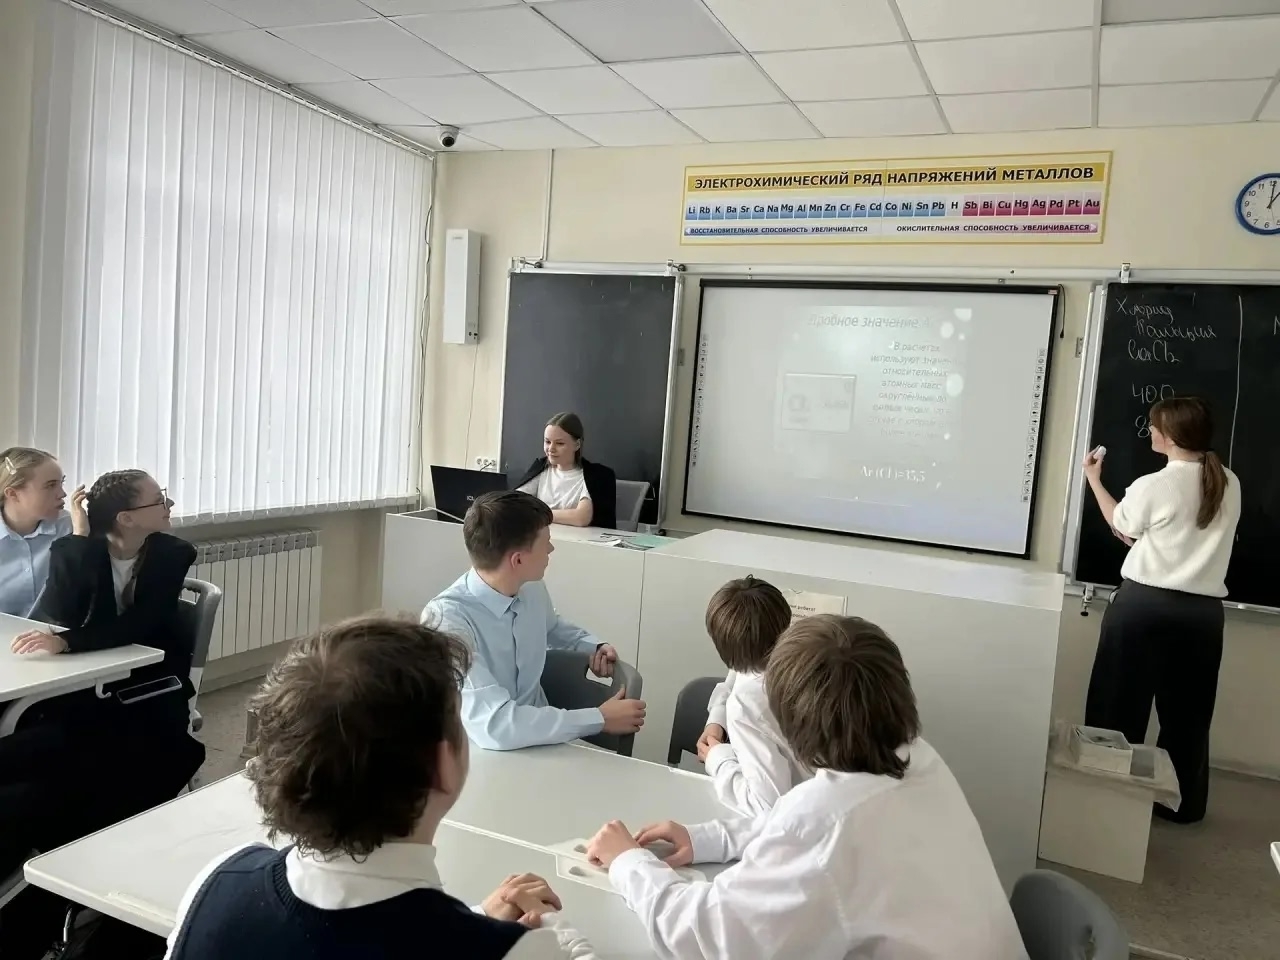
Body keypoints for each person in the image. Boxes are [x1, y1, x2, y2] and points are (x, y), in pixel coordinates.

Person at [583, 615, 1027, 960]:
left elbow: (709, 940)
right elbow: (805, 829)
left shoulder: (825, 820)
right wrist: (708, 839)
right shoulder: (917, 759)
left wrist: (628, 862)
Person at [164, 616, 599, 960]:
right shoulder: (513, 951)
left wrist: (476, 920)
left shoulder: (217, 881)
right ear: (442, 765)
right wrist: (555, 935)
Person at [2, 470, 204, 957]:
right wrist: (80, 540)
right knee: (35, 750)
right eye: (159, 499)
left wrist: (69, 643)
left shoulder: (173, 552)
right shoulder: (81, 548)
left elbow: (141, 625)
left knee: (68, 758)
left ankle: (58, 880)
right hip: (88, 683)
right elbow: (61, 612)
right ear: (127, 518)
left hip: (150, 686)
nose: (169, 504)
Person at [1082, 396, 1241, 824]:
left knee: (1116, 705)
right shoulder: (1229, 481)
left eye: (1154, 426)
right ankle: (1182, 806)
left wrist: (1094, 479)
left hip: (1145, 607)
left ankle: (1106, 802)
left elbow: (1121, 525)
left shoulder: (1154, 485)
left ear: (1170, 436)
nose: (1149, 431)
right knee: (1188, 715)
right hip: (1203, 616)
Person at [423, 491, 644, 750]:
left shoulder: (531, 588)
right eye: (546, 542)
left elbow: (551, 627)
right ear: (518, 560)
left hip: (541, 744)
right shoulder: (446, 622)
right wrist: (598, 719)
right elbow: (496, 725)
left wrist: (592, 646)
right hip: (477, 754)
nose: (551, 549)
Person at [694, 576, 809, 816]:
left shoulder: (746, 706)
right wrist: (717, 719)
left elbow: (766, 806)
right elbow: (739, 672)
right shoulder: (800, 657)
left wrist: (718, 759)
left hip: (800, 819)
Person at [0, 447, 79, 617]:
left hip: (54, 633)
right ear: (13, 494)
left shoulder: (71, 527)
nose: (63, 493)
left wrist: (82, 537)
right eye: (50, 485)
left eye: (61, 483)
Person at [513, 413, 617, 529]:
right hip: (544, 535)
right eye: (547, 442)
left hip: (580, 539)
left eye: (560, 443)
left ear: (577, 444)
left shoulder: (597, 475)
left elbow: (581, 518)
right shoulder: (540, 468)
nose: (551, 449)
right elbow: (514, 503)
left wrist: (539, 513)